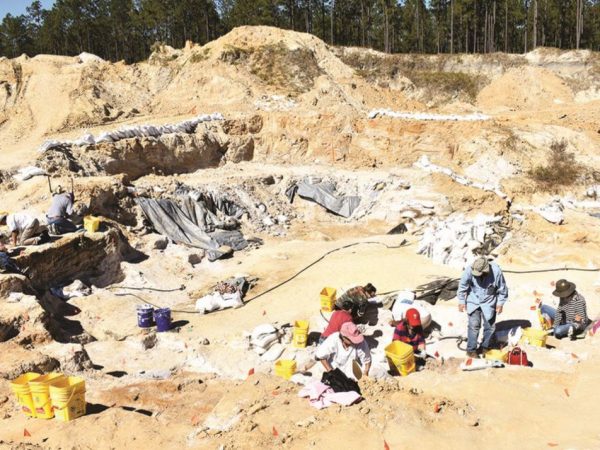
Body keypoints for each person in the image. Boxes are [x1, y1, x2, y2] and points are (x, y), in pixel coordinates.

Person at [457, 257, 508, 358]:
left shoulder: (496, 272)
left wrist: (500, 304)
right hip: (474, 301)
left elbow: (503, 290)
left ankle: (485, 347)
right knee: (473, 326)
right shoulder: (469, 270)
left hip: (489, 302)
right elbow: (462, 286)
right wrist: (461, 301)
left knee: (490, 327)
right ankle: (471, 350)